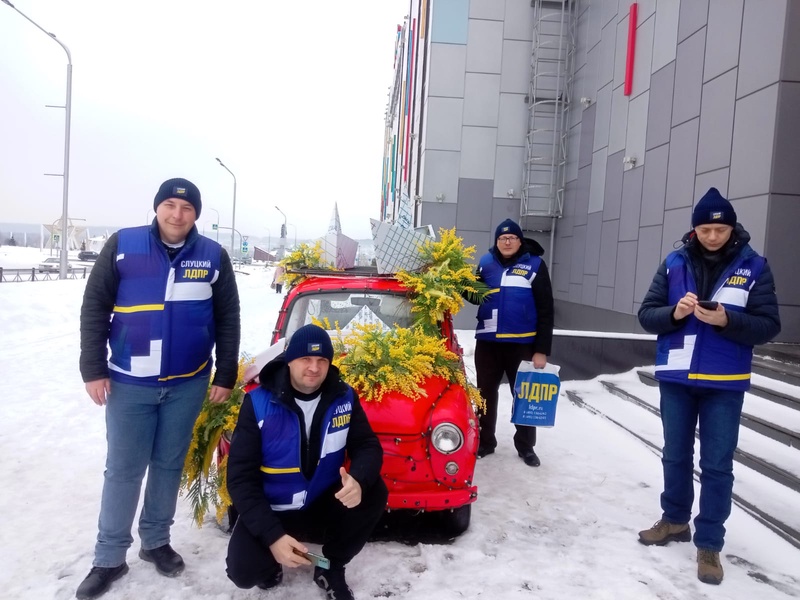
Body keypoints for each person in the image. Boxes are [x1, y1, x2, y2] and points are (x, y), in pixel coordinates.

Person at [76, 178, 241, 599]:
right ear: (157, 208)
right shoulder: (124, 246)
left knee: (168, 464)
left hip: (188, 382)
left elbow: (228, 318)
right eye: (169, 205)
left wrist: (224, 375)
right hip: (131, 381)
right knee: (124, 470)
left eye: (186, 209)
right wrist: (92, 367)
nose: (177, 214)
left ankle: (155, 542)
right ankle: (109, 558)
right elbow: (95, 306)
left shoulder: (213, 256)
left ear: (196, 215)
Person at [637, 187, 780, 585]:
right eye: (705, 229)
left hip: (725, 382)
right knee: (675, 455)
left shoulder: (754, 266)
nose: (712, 236)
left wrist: (727, 322)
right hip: (677, 377)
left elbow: (769, 325)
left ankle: (710, 544)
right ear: (694, 229)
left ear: (732, 229)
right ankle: (674, 520)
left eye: (720, 229)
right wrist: (675, 313)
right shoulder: (673, 262)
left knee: (717, 465)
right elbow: (647, 316)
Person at [225, 324, 387, 600]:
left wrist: (358, 479)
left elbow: (367, 445)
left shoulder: (343, 397)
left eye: (322, 360)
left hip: (321, 502)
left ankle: (331, 567)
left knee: (374, 491)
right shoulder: (258, 403)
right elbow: (240, 478)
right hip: (274, 506)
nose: (314, 368)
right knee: (243, 572)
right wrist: (272, 537)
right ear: (289, 361)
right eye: (306, 359)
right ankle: (270, 566)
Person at [470, 218, 554, 467]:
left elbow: (546, 309)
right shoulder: (485, 263)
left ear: (520, 241)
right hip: (488, 342)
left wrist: (541, 350)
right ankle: (486, 441)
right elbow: (475, 296)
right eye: (502, 238)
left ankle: (526, 446)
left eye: (512, 238)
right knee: (484, 395)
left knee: (525, 396)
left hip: (522, 345)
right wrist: (458, 281)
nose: (507, 242)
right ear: (496, 242)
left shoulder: (535, 265)